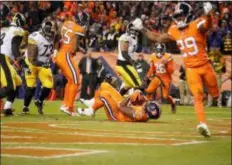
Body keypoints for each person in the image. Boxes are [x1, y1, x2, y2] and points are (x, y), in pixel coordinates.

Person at [133, 2, 219, 137]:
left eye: (181, 16)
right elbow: (157, 38)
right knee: (197, 96)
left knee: (215, 95)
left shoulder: (197, 24)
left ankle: (212, 101)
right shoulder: (174, 30)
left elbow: (208, 25)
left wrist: (208, 15)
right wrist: (142, 28)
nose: (179, 19)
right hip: (191, 69)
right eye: (177, 16)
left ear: (188, 15)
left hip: (205, 65)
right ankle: (202, 124)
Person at [77, 75, 161, 122]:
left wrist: (130, 96)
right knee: (104, 85)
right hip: (121, 105)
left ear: (149, 110)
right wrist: (139, 95)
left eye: (150, 104)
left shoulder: (139, 114)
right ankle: (93, 102)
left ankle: (91, 110)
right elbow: (132, 102)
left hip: (118, 115)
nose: (148, 103)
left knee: (105, 94)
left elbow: (122, 107)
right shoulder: (144, 110)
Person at [22, 19, 57, 115]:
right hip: (31, 64)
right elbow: (32, 59)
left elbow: (57, 42)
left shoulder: (53, 35)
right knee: (31, 87)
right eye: (49, 31)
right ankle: (25, 107)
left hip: (43, 63)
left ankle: (39, 101)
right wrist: (42, 64)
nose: (51, 33)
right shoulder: (35, 37)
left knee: (49, 85)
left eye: (52, 31)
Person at [55, 14, 86, 116]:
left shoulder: (66, 23)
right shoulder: (79, 28)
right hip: (66, 55)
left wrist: (55, 50)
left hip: (60, 53)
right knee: (76, 81)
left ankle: (66, 105)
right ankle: (69, 107)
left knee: (71, 80)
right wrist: (78, 49)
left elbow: (57, 35)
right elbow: (75, 42)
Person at [0, 12, 26, 116]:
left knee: (18, 82)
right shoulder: (18, 30)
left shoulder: (4, 29)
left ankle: (7, 108)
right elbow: (14, 49)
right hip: (3, 58)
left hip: (4, 58)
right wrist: (21, 59)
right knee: (9, 87)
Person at [145, 43, 176, 113]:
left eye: (160, 50)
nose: (159, 52)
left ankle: (173, 103)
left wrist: (166, 64)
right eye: (158, 50)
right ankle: (148, 107)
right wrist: (147, 76)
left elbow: (171, 71)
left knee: (165, 97)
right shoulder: (153, 56)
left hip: (166, 78)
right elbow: (152, 69)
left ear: (163, 50)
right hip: (157, 76)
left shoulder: (168, 57)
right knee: (149, 91)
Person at [116, 22, 142, 96]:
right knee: (137, 84)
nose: (134, 32)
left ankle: (118, 98)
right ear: (128, 30)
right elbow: (124, 53)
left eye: (136, 31)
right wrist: (133, 61)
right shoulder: (125, 37)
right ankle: (138, 104)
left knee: (129, 85)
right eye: (132, 30)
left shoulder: (135, 38)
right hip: (123, 64)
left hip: (128, 64)